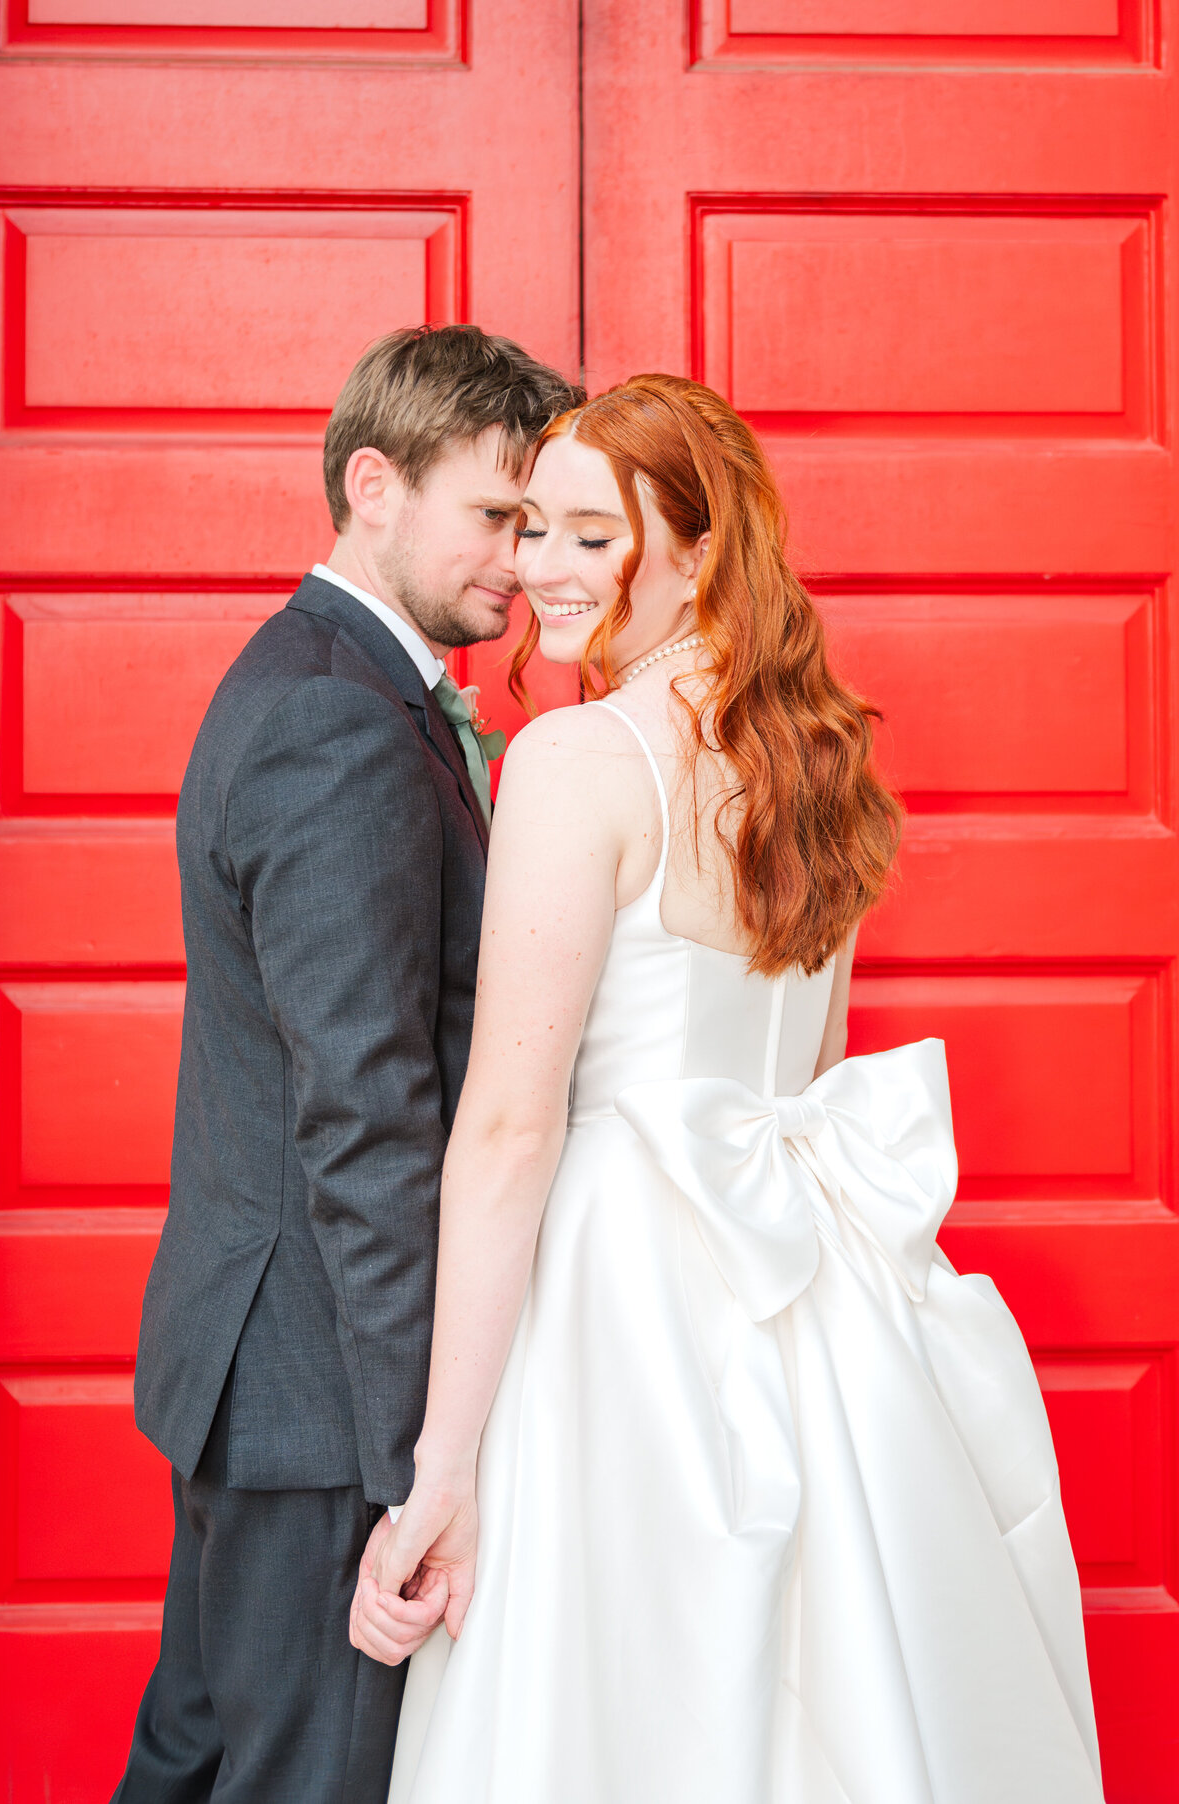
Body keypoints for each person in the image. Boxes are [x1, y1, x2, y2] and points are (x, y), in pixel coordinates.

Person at [354, 375, 1105, 1803]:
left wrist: (442, 1466)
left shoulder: (575, 761)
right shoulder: (818, 761)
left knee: (624, 1691)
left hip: (618, 1295)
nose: (537, 570)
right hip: (812, 1279)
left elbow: (511, 1128)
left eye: (591, 535)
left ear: (697, 554)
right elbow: (808, 1074)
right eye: (530, 530)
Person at [113, 324, 582, 1803]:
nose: (520, 559)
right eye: (494, 514)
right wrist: (416, 1458)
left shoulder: (327, 678)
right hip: (323, 1393)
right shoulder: (339, 720)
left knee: (198, 1762)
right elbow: (366, 1121)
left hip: (264, 1369)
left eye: (537, 520)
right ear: (373, 484)